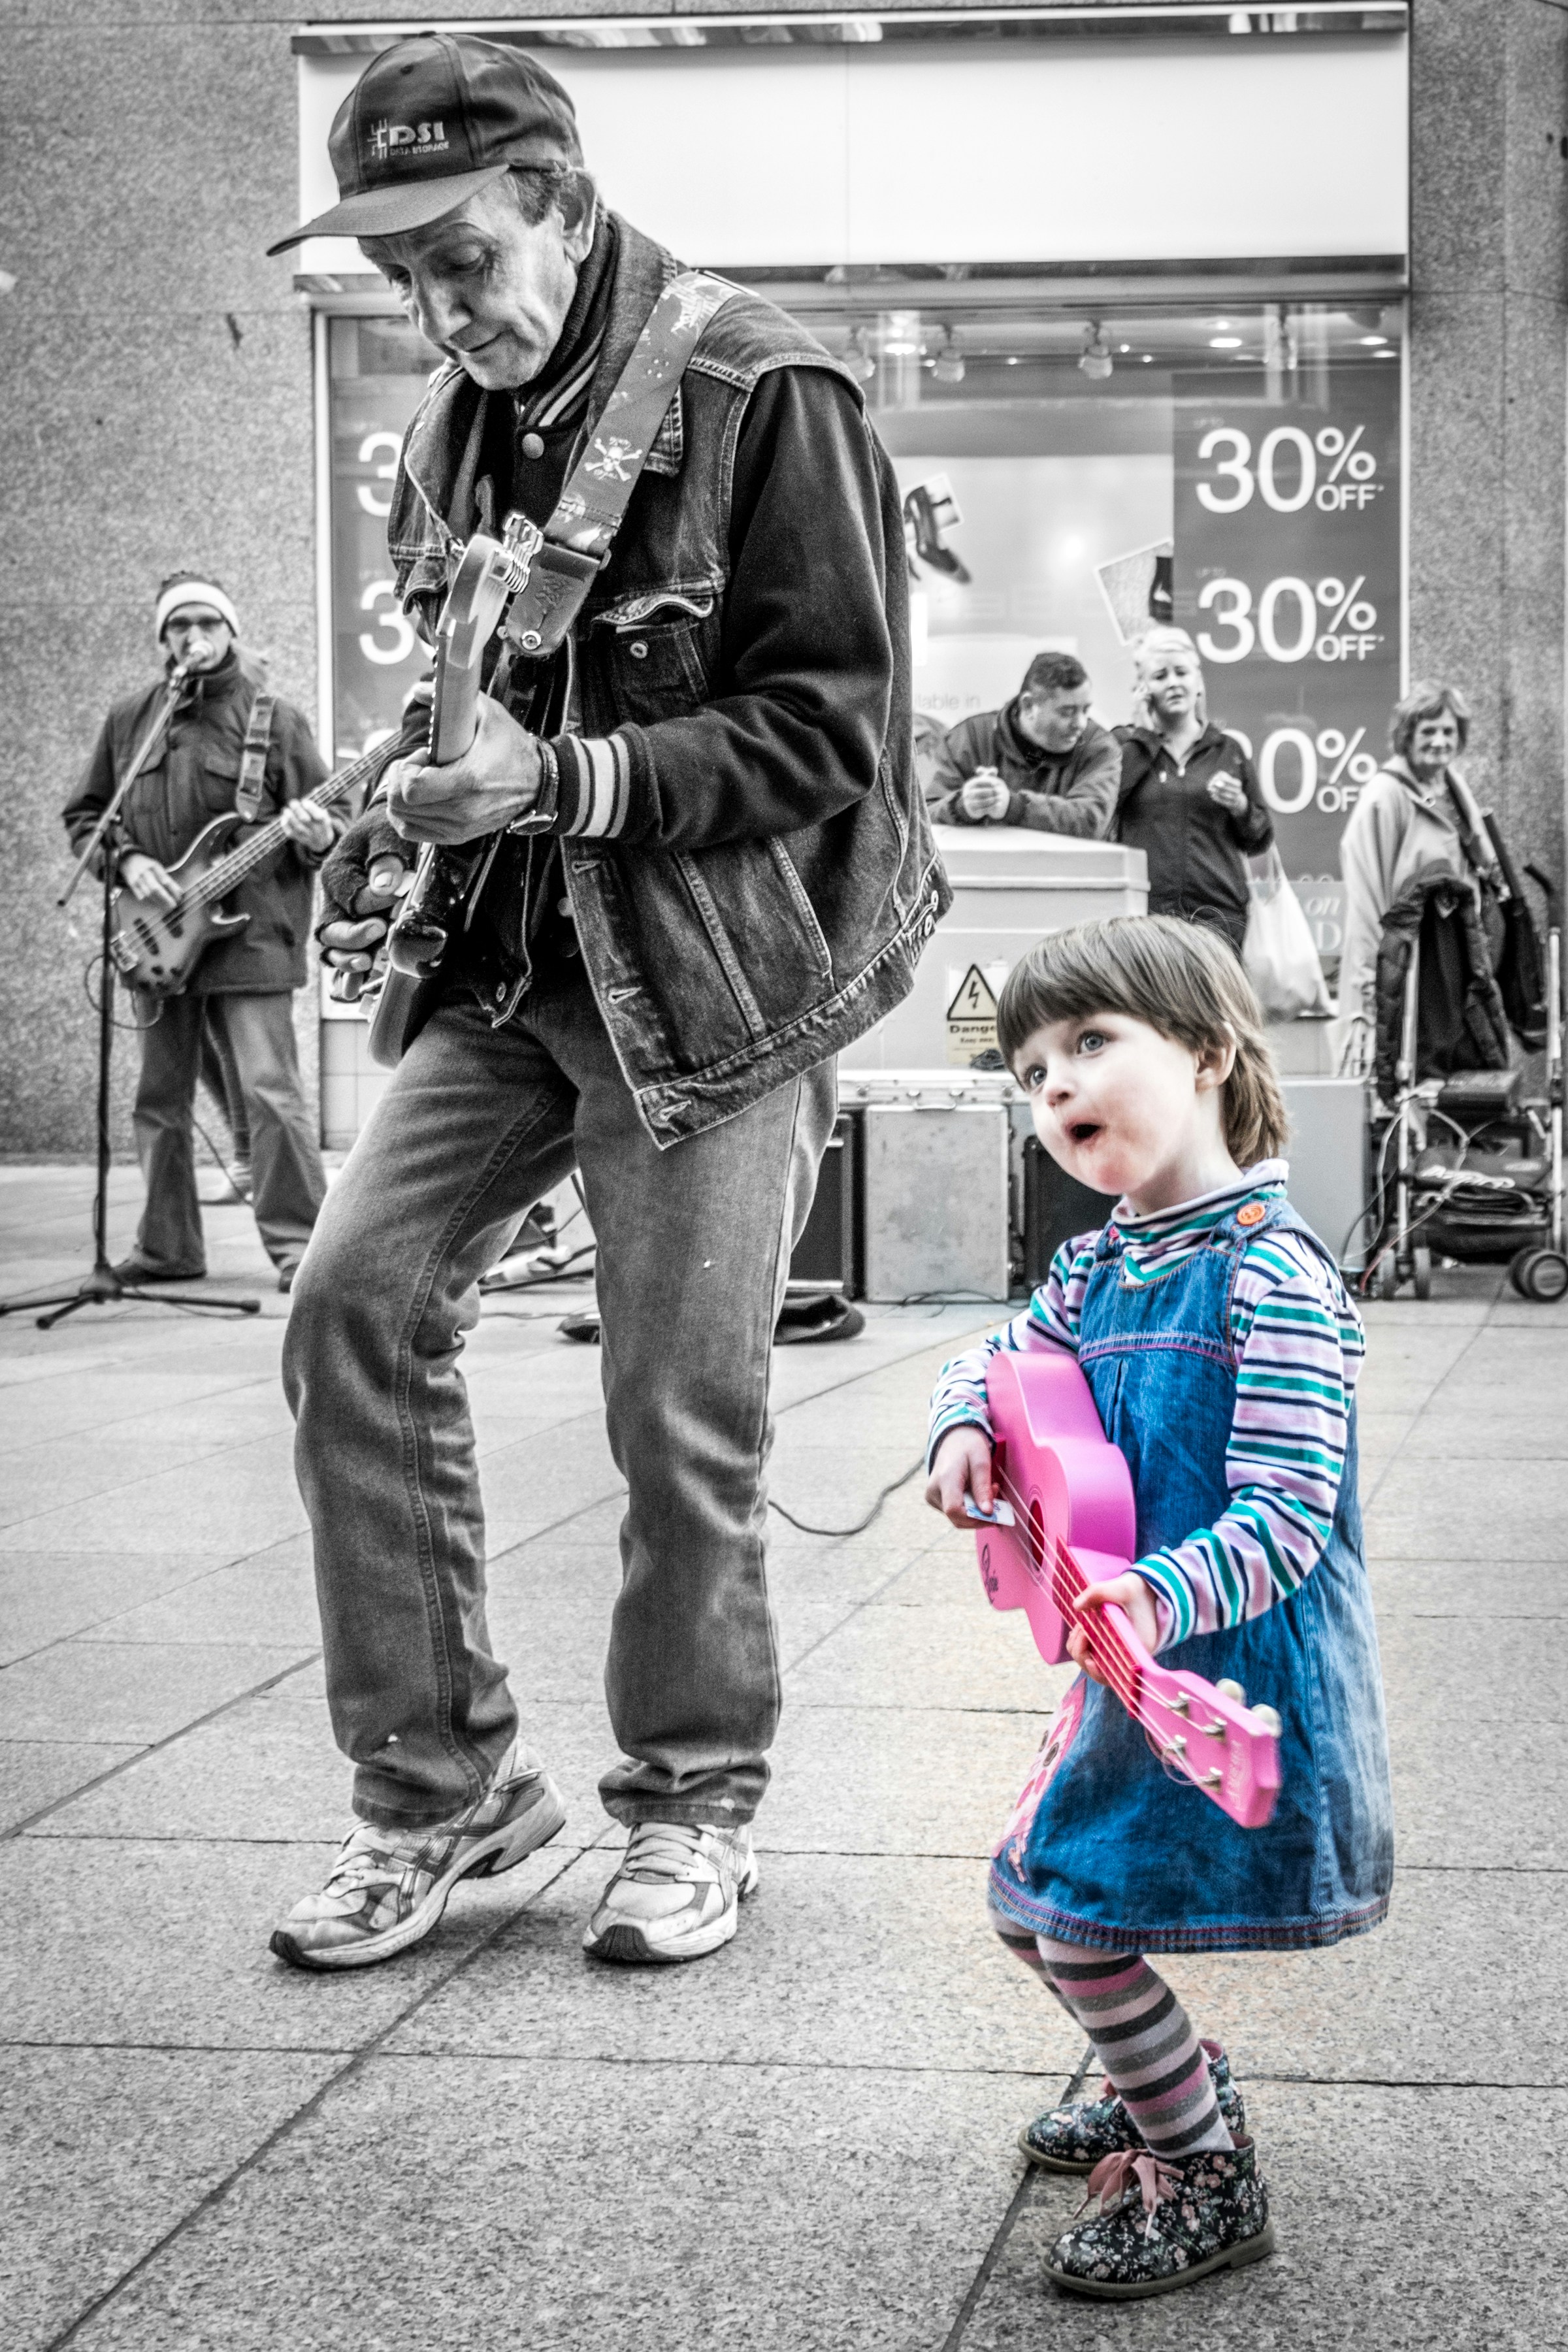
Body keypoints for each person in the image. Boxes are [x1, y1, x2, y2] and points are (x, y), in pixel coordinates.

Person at [261, 33, 941, 1972]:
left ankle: (692, 1804)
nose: (434, 314)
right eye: (397, 280)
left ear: (558, 197)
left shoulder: (764, 389)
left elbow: (828, 733)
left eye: (460, 261)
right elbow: (491, 686)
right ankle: (441, 1792)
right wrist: (419, 790)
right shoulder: (449, 428)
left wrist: (556, 779)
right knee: (350, 1308)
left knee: (676, 1404)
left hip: (718, 980)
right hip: (511, 960)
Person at [925, 915, 1392, 2300]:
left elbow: (1293, 1508)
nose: (1055, 1085)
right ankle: (1168, 2074)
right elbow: (1002, 1353)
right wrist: (964, 1420)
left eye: (1089, 1043)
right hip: (1124, 1664)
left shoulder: (1272, 1271)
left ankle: (1204, 2171)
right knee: (1034, 1902)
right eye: (1031, 1072)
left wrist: (1160, 1589)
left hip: (1230, 1671)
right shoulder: (1099, 1265)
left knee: (1075, 1921)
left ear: (1204, 1052)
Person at [62, 575, 336, 1293]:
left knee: (270, 1093)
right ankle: (166, 1249)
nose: (193, 636)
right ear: (164, 639)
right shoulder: (131, 719)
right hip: (157, 938)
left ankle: (302, 1252)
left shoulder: (275, 719)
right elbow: (87, 816)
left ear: (230, 631)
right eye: (178, 625)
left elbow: (335, 827)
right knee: (158, 1099)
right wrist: (128, 861)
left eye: (207, 623)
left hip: (254, 934)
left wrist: (317, 833)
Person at [1337, 683, 1500, 1070]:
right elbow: (1366, 899)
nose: (1439, 741)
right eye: (1428, 731)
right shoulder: (1385, 796)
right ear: (1407, 736)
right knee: (1417, 1071)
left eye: (1448, 731)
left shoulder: (1452, 786)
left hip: (1457, 957)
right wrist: (1368, 994)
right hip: (1413, 963)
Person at [1115, 627, 1273, 954]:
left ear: (1198, 681)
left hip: (1219, 918)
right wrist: (1143, 737)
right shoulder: (1124, 747)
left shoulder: (1227, 750)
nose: (1173, 683)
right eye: (1160, 676)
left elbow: (1260, 838)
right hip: (1146, 920)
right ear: (1142, 689)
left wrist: (1240, 806)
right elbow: (1107, 806)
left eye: (1181, 672)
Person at [923, 651, 1119, 838]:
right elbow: (923, 814)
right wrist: (960, 807)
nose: (1080, 724)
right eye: (1067, 712)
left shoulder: (1099, 747)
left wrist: (1015, 806)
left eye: (1085, 710)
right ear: (1028, 705)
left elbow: (1092, 820)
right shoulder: (969, 738)